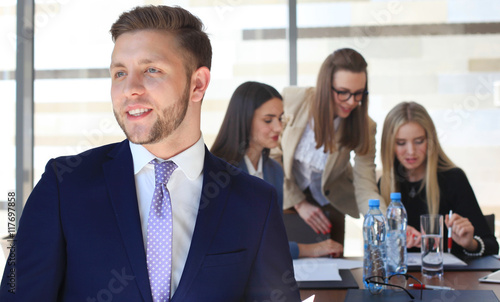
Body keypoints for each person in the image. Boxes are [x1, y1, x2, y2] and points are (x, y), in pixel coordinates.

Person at [0, 5, 300, 301]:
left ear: (197, 84)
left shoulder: (255, 202)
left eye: (151, 70)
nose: (129, 89)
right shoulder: (63, 185)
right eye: (119, 73)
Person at [211, 81, 343, 258]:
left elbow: (272, 238)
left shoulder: (274, 171)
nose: (279, 128)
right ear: (245, 120)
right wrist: (310, 250)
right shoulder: (220, 172)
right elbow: (241, 244)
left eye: (280, 118)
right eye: (268, 120)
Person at [279, 48, 384, 245]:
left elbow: (365, 183)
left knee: (333, 268)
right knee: (288, 264)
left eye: (359, 93)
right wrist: (299, 203)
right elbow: (273, 156)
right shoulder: (292, 99)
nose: (352, 102)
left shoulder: (365, 125)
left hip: (332, 205)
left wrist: (384, 222)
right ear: (326, 86)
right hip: (287, 198)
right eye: (343, 92)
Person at [379, 101, 499, 257]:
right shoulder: (384, 184)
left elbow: (491, 246)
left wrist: (470, 243)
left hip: (450, 279)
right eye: (401, 143)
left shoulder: (454, 179)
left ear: (430, 141)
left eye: (419, 141)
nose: (411, 151)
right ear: (389, 145)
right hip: (401, 279)